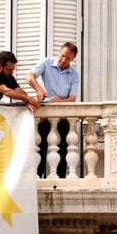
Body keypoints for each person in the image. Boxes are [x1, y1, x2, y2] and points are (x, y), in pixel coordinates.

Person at [26, 42, 79, 178]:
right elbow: (29, 77)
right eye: (62, 56)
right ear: (59, 52)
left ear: (72, 59)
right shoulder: (46, 62)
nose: (63, 60)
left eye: (67, 58)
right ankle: (37, 179)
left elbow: (72, 98)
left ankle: (60, 180)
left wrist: (60, 101)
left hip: (62, 116)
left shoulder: (73, 74)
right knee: (40, 148)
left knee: (62, 150)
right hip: (44, 115)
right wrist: (38, 89)